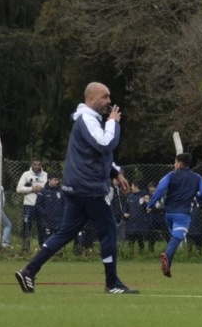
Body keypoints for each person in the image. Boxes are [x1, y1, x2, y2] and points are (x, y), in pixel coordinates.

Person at [14, 82, 137, 294]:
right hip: (88, 187)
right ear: (91, 99)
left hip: (76, 188)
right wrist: (113, 123)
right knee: (108, 231)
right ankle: (112, 283)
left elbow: (95, 153)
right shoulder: (87, 119)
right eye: (105, 97)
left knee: (65, 233)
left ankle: (29, 271)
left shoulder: (87, 120)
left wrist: (115, 172)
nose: (109, 101)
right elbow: (105, 144)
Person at [147, 152, 202, 278]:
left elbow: (160, 189)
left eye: (175, 162)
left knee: (174, 238)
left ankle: (167, 267)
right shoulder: (197, 177)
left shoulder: (170, 175)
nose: (174, 165)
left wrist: (151, 204)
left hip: (168, 214)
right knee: (177, 238)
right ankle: (166, 255)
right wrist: (198, 197)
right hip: (183, 214)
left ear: (179, 164)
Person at [16, 159, 49, 251]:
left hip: (42, 205)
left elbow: (49, 188)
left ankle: (43, 247)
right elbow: (19, 189)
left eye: (39, 164)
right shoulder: (26, 174)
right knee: (27, 226)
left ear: (41, 165)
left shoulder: (45, 175)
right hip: (29, 204)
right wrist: (32, 189)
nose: (37, 166)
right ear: (32, 164)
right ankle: (25, 247)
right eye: (35, 164)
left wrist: (41, 189)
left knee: (42, 226)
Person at [34, 173, 65, 240]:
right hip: (47, 220)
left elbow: (64, 204)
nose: (57, 182)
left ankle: (59, 250)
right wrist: (45, 213)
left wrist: (62, 214)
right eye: (55, 180)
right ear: (49, 180)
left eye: (57, 180)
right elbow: (38, 205)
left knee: (58, 238)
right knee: (47, 238)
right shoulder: (43, 192)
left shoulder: (60, 191)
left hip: (59, 220)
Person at [122, 181, 151, 253]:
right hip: (131, 222)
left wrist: (147, 202)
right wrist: (124, 213)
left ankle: (142, 254)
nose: (131, 188)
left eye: (132, 186)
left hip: (141, 222)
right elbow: (125, 208)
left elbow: (149, 209)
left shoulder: (145, 196)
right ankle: (129, 254)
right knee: (131, 241)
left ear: (136, 186)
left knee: (140, 240)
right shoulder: (130, 197)